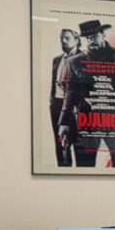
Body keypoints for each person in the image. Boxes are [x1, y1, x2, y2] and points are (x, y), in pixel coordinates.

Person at [58, 19, 115, 168]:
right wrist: (64, 122)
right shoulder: (75, 62)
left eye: (94, 36)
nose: (91, 41)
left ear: (103, 35)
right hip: (87, 121)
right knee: (85, 166)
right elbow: (70, 94)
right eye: (88, 38)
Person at [48, 28, 80, 167]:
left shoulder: (84, 58)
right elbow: (53, 82)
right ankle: (63, 170)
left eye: (67, 38)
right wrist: (52, 100)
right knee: (60, 143)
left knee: (78, 143)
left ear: (76, 40)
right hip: (57, 104)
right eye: (61, 39)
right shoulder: (56, 60)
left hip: (75, 107)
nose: (63, 41)